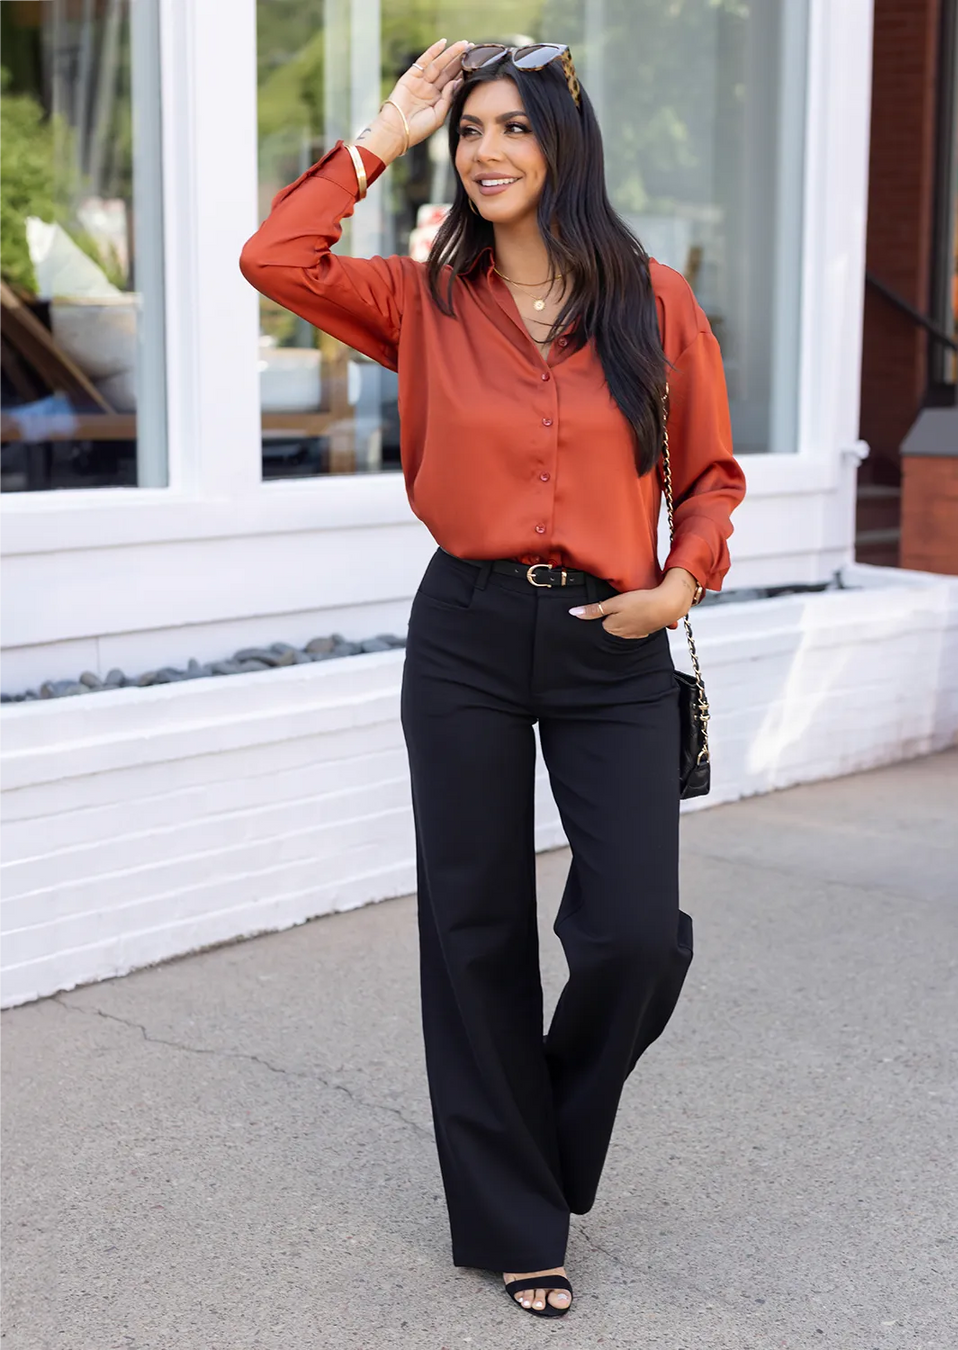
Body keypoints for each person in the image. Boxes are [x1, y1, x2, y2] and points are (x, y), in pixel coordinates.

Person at [240, 36, 745, 1320]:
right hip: (463, 630)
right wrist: (384, 133)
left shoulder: (654, 300)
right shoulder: (425, 301)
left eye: (513, 128)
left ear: (564, 143)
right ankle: (521, 1219)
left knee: (634, 938)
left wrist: (682, 583)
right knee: (470, 930)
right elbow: (273, 262)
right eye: (471, 132)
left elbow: (710, 476)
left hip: (612, 636)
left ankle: (542, 1144)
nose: (488, 152)